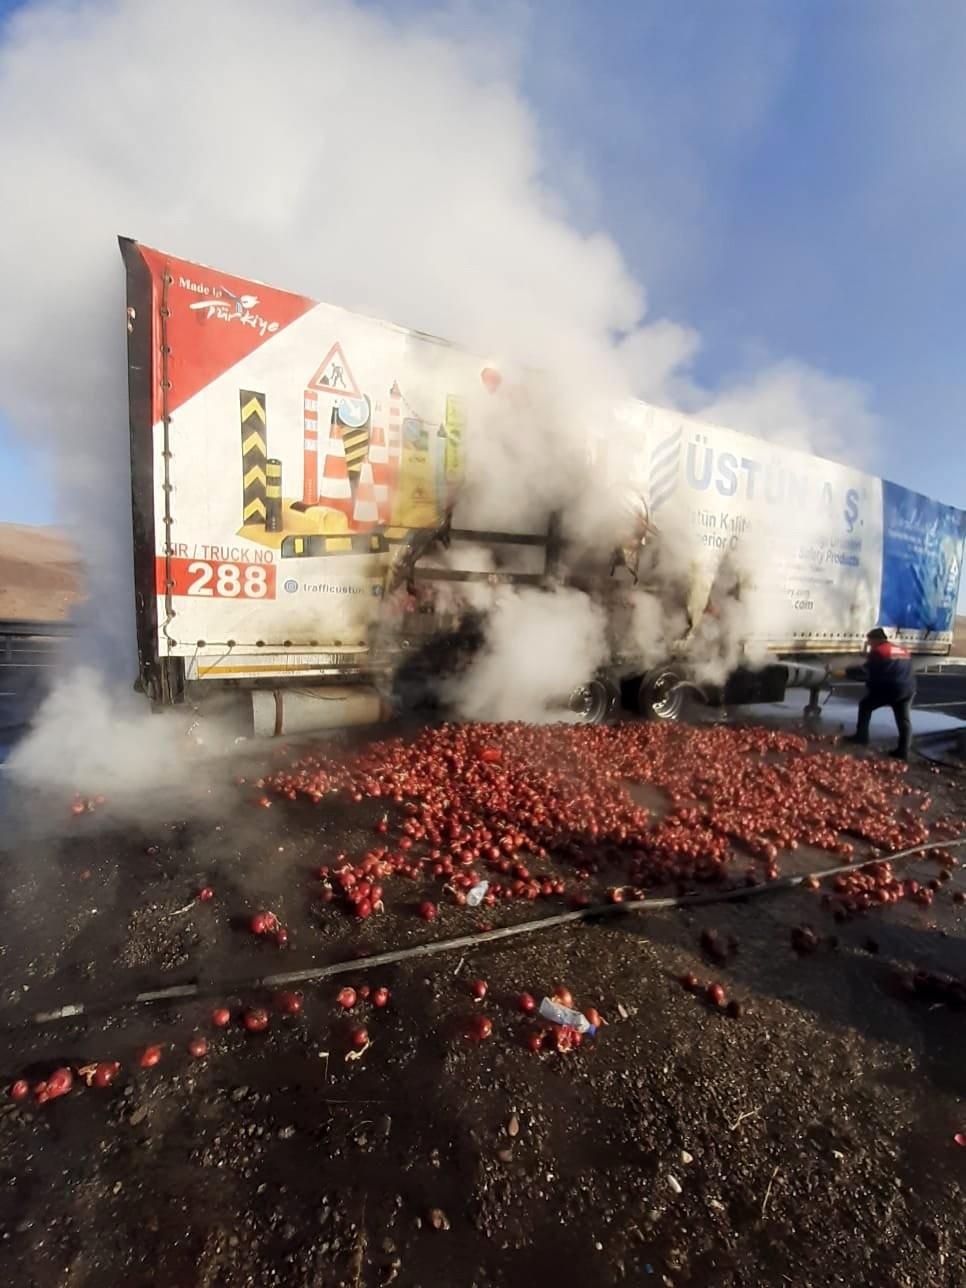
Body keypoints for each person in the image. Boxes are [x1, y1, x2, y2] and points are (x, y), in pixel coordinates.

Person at [845, 628, 915, 759]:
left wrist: (845, 672)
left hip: (891, 689)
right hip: (908, 689)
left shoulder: (878, 651)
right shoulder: (902, 651)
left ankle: (861, 737)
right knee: (904, 720)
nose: (869, 644)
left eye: (870, 641)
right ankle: (903, 751)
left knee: (865, 706)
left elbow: (865, 672)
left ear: (876, 640)